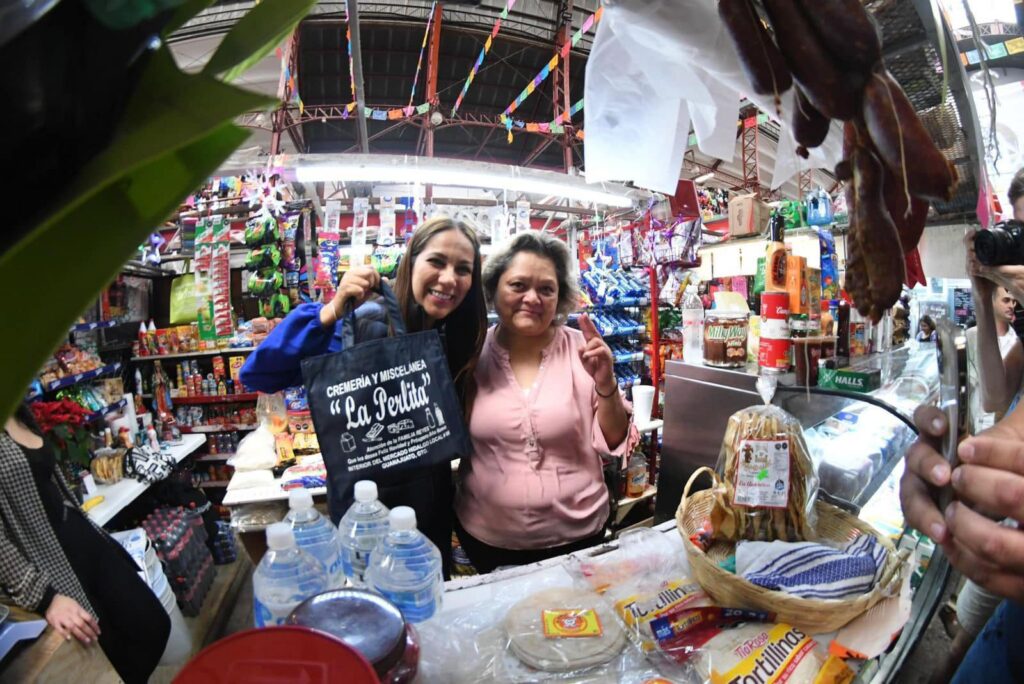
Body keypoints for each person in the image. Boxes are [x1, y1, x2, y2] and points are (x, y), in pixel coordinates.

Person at [239, 217, 487, 576]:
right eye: (436, 262)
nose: (449, 278)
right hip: (368, 521)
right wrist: (331, 311)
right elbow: (259, 373)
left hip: (430, 519)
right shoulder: (368, 324)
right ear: (410, 262)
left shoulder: (450, 337)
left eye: (463, 269)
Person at [454, 231, 639, 573]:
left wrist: (606, 383)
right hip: (488, 540)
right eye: (518, 285)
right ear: (494, 289)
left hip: (579, 537)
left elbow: (613, 440)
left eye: (546, 289)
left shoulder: (582, 350)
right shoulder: (470, 356)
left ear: (561, 297)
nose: (532, 298)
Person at [1, 404, 170, 683]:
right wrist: (45, 597)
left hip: (81, 539)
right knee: (106, 649)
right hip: (46, 562)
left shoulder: (18, 409)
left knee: (151, 624)